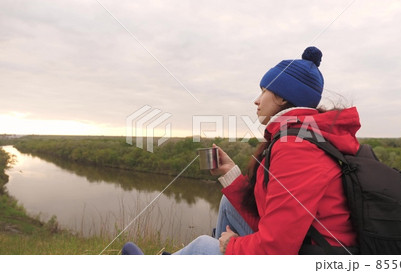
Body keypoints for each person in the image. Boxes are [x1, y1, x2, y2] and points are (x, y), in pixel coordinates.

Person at [122, 46, 360, 255]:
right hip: (308, 244)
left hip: (314, 255)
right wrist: (230, 174)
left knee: (204, 246)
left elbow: (277, 250)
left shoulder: (297, 150)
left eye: (264, 91)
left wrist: (231, 246)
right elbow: (273, 218)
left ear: (282, 97)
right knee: (228, 202)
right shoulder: (300, 137)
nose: (257, 101)